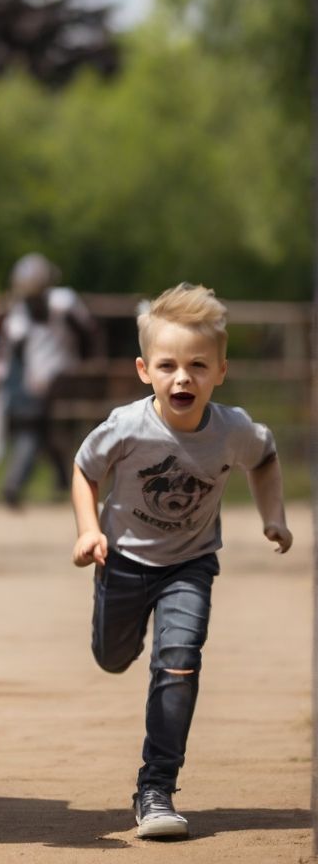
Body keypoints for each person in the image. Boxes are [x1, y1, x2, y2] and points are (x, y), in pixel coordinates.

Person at [70, 282, 292, 840]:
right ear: (145, 370)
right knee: (113, 656)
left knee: (179, 660)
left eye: (198, 365)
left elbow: (265, 458)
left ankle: (156, 788)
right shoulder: (126, 426)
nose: (182, 378)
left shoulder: (232, 430)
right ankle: (113, 623)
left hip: (190, 564)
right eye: (168, 365)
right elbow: (84, 469)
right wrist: (89, 530)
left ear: (221, 370)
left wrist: (274, 517)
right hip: (122, 561)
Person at [0, 253, 94, 507]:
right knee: (35, 431)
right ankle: (27, 483)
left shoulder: (62, 304)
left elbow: (87, 334)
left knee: (44, 431)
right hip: (32, 383)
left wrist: (84, 365)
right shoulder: (20, 315)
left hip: (62, 377)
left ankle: (60, 480)